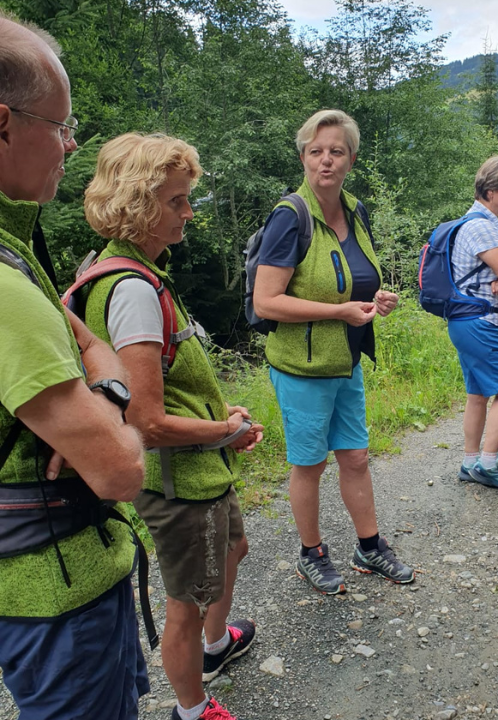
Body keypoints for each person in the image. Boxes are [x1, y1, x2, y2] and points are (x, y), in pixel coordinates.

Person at [82, 133, 263, 720]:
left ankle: (215, 647)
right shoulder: (132, 290)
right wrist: (224, 431)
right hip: (178, 480)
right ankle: (192, 706)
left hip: (202, 469)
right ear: (138, 204)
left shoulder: (126, 269)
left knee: (232, 547)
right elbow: (147, 422)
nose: (189, 212)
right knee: (185, 601)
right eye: (177, 200)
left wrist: (220, 427)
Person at [0, 13, 149, 720]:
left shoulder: (13, 253)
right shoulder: (4, 288)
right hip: (57, 592)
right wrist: (117, 411)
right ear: (2, 124)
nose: (69, 143)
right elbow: (121, 471)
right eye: (59, 125)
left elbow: (90, 344)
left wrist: (104, 388)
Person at [253, 109, 414, 595]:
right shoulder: (290, 217)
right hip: (302, 367)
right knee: (310, 464)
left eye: (336, 151)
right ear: (303, 156)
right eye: (316, 151)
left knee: (357, 457)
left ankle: (369, 545)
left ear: (351, 158)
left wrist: (372, 301)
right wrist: (338, 311)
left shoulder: (356, 210)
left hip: (345, 360)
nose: (326, 160)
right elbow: (267, 301)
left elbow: (357, 277)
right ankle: (311, 554)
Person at [453, 156, 498, 489]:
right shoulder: (482, 226)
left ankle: (470, 463)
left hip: (464, 320)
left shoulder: (469, 222)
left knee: (477, 393)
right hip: (480, 321)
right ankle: (488, 463)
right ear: (492, 190)